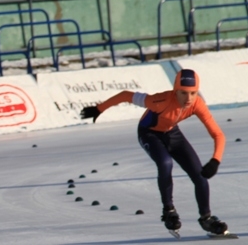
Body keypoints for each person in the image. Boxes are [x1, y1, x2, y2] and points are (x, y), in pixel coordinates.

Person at [80, 69, 228, 236]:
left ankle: (206, 218)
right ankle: (169, 211)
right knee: (165, 163)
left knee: (200, 175)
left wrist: (215, 160)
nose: (188, 98)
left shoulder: (197, 104)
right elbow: (126, 95)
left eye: (193, 93)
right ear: (175, 90)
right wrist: (99, 108)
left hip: (172, 133)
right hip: (149, 133)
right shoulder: (158, 101)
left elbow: (218, 134)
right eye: (183, 93)